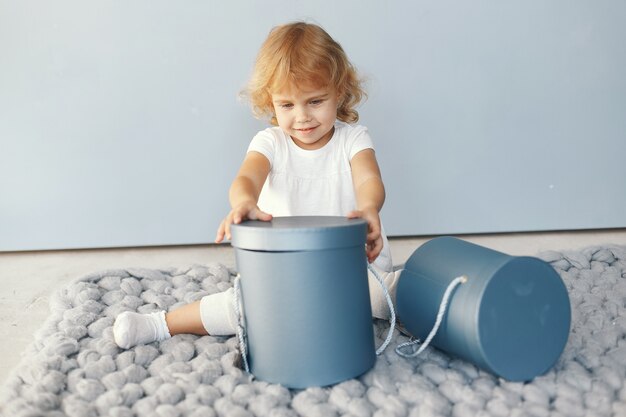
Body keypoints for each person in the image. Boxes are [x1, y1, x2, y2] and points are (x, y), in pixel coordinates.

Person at [113, 21, 399, 349]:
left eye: (315, 101)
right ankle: (159, 324)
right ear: (271, 102)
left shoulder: (353, 138)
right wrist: (244, 202)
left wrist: (368, 207)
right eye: (287, 105)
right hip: (288, 268)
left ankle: (434, 292)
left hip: (353, 265)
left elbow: (368, 178)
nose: (302, 116)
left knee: (382, 297)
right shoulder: (270, 143)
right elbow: (247, 177)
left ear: (339, 92)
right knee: (245, 305)